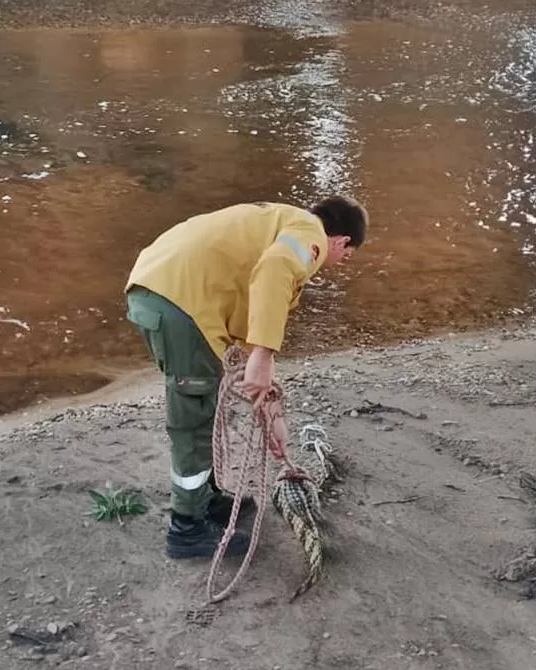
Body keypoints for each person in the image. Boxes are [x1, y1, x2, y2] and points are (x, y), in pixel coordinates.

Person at [124, 196, 369, 559]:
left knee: (204, 404)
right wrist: (266, 354)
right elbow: (275, 270)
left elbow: (253, 320)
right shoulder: (310, 237)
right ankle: (186, 530)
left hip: (171, 289)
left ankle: (203, 500)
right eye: (346, 255)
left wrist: (273, 417)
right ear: (341, 241)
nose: (341, 261)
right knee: (192, 418)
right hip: (176, 299)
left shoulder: (282, 222)